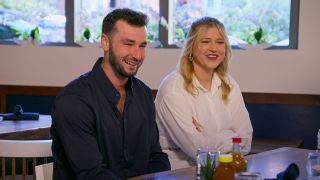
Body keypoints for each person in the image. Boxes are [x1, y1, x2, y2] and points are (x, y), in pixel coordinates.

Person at [51, 8, 170, 179]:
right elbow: (92, 174)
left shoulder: (143, 93)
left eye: (142, 45)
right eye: (128, 44)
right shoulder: (73, 101)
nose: (137, 55)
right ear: (105, 43)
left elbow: (156, 157)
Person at [155, 17, 253, 169]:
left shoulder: (230, 84)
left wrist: (207, 137)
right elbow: (197, 150)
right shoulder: (172, 89)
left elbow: (246, 142)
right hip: (179, 172)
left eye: (220, 42)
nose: (214, 48)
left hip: (221, 168)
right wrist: (231, 136)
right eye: (205, 41)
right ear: (191, 47)